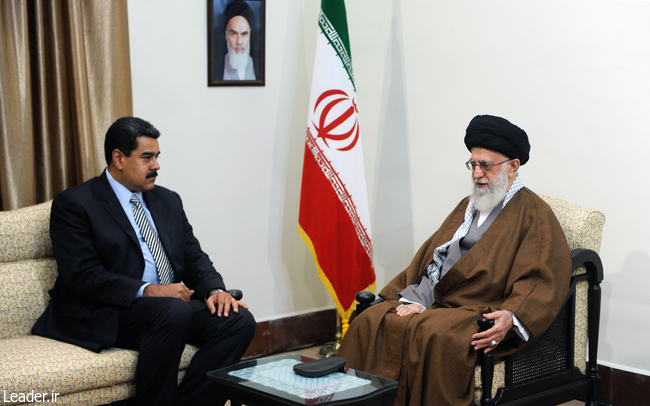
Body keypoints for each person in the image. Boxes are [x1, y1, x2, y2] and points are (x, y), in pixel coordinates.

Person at [338, 115, 572, 406]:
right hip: (442, 300)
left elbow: (540, 277)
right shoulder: (470, 204)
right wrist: (419, 299)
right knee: (371, 321)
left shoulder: (534, 214)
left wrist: (511, 315)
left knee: (437, 335)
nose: (477, 174)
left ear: (513, 167)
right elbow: (435, 256)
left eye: (486, 165)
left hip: (480, 309)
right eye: (473, 164)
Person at [32, 117, 257, 406]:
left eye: (157, 157)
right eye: (147, 157)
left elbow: (192, 255)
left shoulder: (167, 200)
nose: (156, 166)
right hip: (109, 310)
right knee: (173, 310)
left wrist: (216, 291)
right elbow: (83, 275)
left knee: (238, 321)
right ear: (118, 158)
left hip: (169, 309)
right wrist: (149, 290)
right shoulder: (75, 204)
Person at [221, 0, 258, 80]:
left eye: (244, 34)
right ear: (226, 35)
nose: (239, 41)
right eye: (234, 34)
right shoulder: (216, 67)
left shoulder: (259, 67)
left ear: (250, 35)